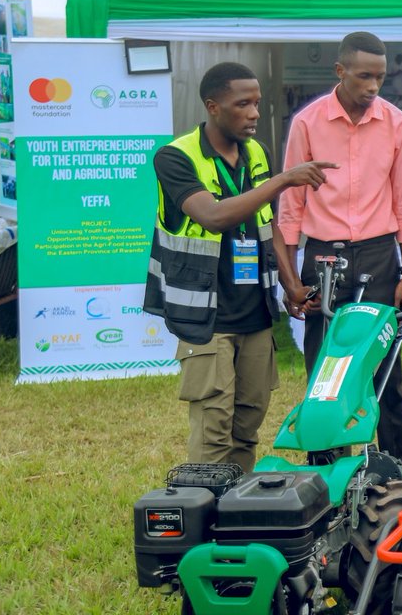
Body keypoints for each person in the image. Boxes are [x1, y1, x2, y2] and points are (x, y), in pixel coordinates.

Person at [144, 62, 335, 473]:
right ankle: (205, 504)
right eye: (243, 104)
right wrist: (283, 180)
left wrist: (290, 285)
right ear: (213, 106)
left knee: (247, 428)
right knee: (214, 431)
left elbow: (267, 224)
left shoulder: (255, 153)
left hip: (255, 314)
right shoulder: (175, 157)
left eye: (258, 104)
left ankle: (235, 503)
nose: (254, 114)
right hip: (206, 317)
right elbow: (213, 216)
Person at [278, 32, 402, 469]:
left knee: (385, 368)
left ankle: (395, 468)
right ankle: (325, 469)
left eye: (380, 76)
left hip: (380, 256)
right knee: (326, 368)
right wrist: (290, 279)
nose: (373, 86)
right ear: (339, 71)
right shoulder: (307, 123)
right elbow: (290, 207)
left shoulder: (396, 122)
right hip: (322, 256)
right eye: (363, 76)